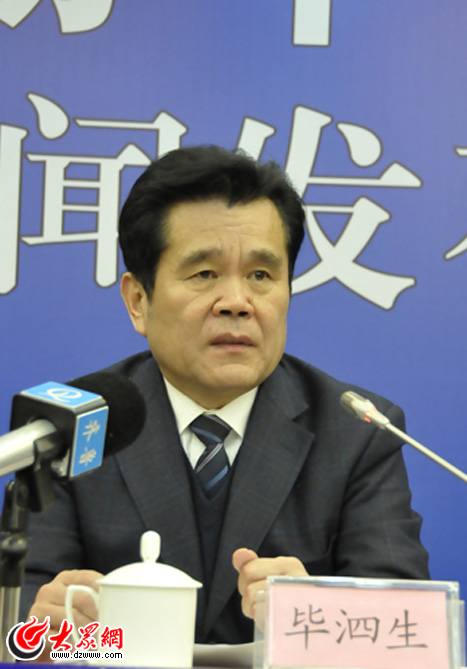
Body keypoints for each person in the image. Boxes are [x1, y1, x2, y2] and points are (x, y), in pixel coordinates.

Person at [21, 145, 429, 655]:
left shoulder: (358, 432)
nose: (237, 303)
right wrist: (54, 631)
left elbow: (404, 635)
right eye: (204, 274)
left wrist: (319, 620)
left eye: (261, 275)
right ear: (138, 300)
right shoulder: (74, 424)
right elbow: (21, 622)